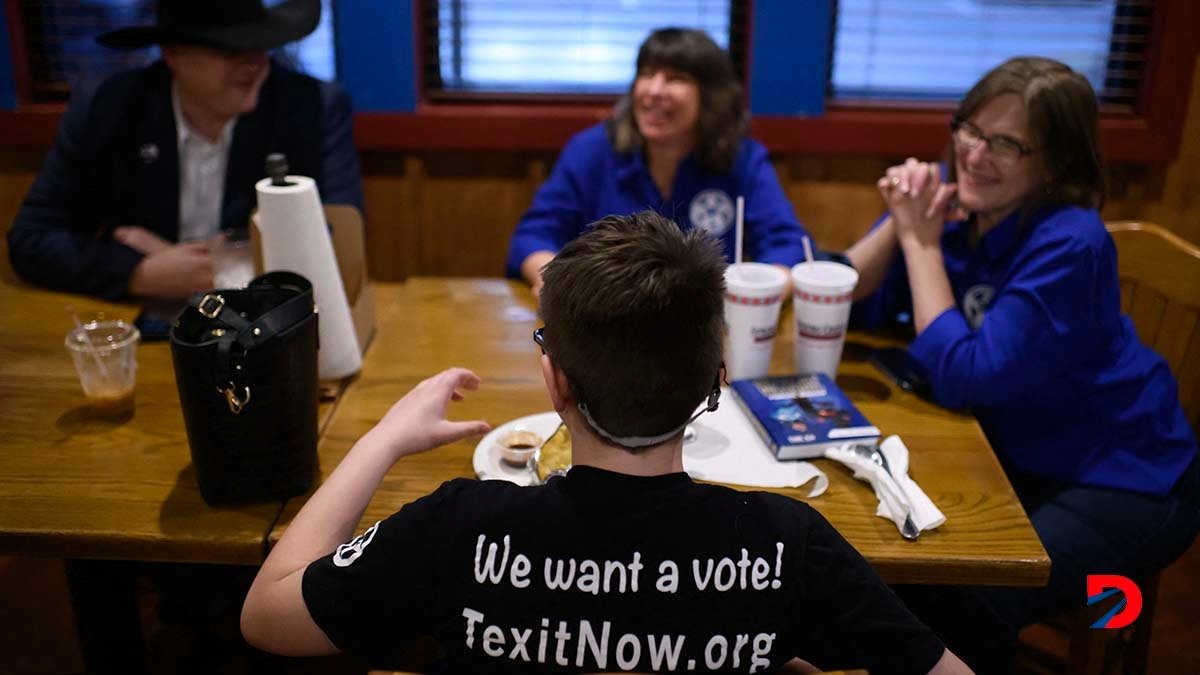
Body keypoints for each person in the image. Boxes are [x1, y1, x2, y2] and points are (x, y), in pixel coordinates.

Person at [241, 211, 970, 675]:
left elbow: (265, 616)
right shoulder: (787, 547)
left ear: (556, 382)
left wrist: (384, 437)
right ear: (716, 382)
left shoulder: (460, 528)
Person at [845, 56, 1200, 673]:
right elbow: (840, 295)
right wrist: (901, 222)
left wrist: (920, 243)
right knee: (892, 563)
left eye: (1007, 143)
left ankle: (1090, 626)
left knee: (971, 598)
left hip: (1126, 477)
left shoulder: (1072, 242)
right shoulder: (966, 211)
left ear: (1057, 164)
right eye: (971, 130)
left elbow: (965, 373)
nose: (976, 154)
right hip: (1017, 455)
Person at [7, 0, 364, 300]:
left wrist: (226, 261)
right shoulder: (112, 106)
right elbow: (32, 238)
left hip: (263, 325)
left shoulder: (310, 107)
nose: (255, 63)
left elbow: (338, 243)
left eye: (261, 45)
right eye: (229, 49)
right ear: (172, 54)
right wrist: (140, 272)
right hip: (139, 319)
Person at [507, 27, 816, 297]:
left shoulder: (743, 159)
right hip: (605, 326)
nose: (654, 91)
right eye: (646, 74)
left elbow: (789, 246)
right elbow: (534, 235)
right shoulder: (591, 150)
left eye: (675, 78)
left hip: (705, 332)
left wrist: (756, 294)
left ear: (712, 97)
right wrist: (550, 280)